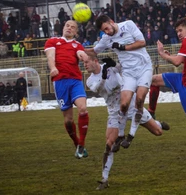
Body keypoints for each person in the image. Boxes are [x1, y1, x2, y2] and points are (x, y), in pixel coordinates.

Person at [84, 55, 169, 190]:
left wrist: (114, 64)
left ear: (95, 61)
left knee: (158, 132)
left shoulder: (110, 69)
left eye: (87, 61)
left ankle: (158, 124)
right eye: (83, 62)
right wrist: (104, 77)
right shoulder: (90, 80)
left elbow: (123, 67)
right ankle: (104, 178)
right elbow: (99, 88)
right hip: (114, 111)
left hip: (131, 104)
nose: (85, 65)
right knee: (109, 144)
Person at [148, 18, 186, 176]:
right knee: (153, 80)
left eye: (180, 30)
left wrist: (163, 55)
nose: (179, 34)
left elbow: (177, 62)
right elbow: (183, 60)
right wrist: (170, 55)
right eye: (177, 31)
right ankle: (151, 113)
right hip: (183, 79)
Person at [86, 15, 153, 148]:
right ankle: (122, 136)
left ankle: (131, 135)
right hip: (128, 72)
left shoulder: (128, 24)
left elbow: (142, 42)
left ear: (111, 22)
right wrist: (76, 50)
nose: (107, 32)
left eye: (107, 28)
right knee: (124, 104)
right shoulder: (106, 39)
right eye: (104, 31)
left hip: (144, 67)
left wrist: (123, 47)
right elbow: (94, 51)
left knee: (139, 100)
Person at [44, 20, 90, 159]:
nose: (69, 28)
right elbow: (50, 56)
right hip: (60, 82)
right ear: (63, 28)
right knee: (69, 120)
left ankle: (81, 144)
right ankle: (76, 143)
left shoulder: (77, 45)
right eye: (67, 26)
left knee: (83, 109)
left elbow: (81, 53)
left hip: (75, 80)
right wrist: (53, 68)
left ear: (76, 32)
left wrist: (84, 57)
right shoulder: (53, 41)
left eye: (73, 27)